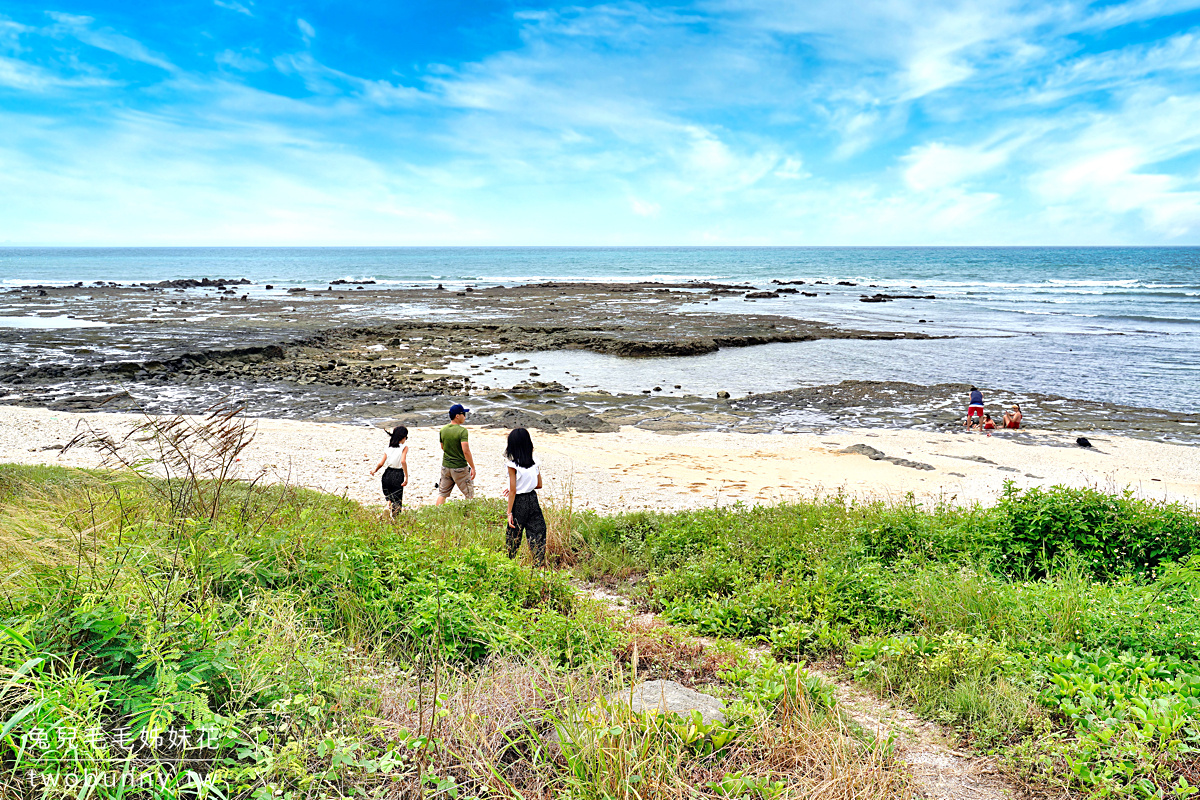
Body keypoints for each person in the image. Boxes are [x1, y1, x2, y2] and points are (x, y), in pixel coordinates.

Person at [503, 427, 547, 567]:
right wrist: (524, 485)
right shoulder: (535, 462)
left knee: (513, 534)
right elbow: (538, 485)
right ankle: (538, 564)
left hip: (519, 501)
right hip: (532, 499)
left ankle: (508, 563)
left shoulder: (512, 465)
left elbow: (513, 491)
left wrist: (509, 512)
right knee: (537, 531)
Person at [435, 403, 475, 504]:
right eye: (463, 414)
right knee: (469, 494)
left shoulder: (443, 430)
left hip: (446, 467)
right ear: (457, 416)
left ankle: (436, 516)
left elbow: (442, 447)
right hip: (460, 468)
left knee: (442, 494)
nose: (465, 416)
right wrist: (473, 467)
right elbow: (466, 451)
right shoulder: (462, 431)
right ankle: (469, 516)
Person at [370, 426, 408, 518]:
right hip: (398, 474)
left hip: (387, 473)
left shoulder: (388, 448)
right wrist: (406, 476)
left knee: (390, 494)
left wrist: (374, 470)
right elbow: (403, 461)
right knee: (397, 497)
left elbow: (381, 463)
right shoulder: (404, 447)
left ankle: (387, 507)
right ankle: (395, 518)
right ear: (403, 437)